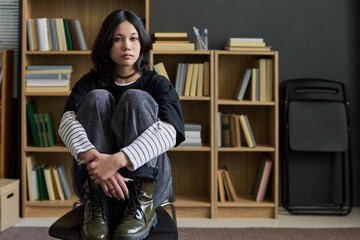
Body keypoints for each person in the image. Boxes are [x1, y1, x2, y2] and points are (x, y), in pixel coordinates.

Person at [58, 9, 185, 240]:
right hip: (95, 180)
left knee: (135, 99)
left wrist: (117, 161)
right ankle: (96, 204)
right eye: (118, 39)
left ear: (142, 43)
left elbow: (170, 131)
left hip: (148, 183)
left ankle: (141, 206)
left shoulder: (157, 84)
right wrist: (99, 166)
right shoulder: (89, 82)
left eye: (133, 38)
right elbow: (66, 122)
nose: (127, 45)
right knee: (97, 97)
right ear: (107, 44)